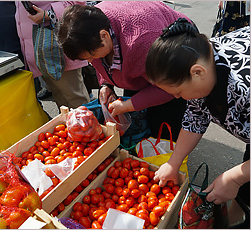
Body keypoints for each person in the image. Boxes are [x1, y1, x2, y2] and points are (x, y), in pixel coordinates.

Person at [146, 19, 250, 226]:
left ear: (197, 72)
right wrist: (173, 163)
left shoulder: (244, 87)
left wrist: (234, 178)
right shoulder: (203, 60)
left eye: (178, 92)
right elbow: (195, 118)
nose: (177, 98)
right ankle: (238, 216)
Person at [58, 1, 191, 141]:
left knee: (164, 125)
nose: (91, 61)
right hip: (144, 59)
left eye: (91, 56)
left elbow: (169, 89)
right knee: (139, 112)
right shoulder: (90, 26)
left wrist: (128, 105)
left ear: (104, 35)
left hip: (174, 56)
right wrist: (106, 85)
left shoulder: (141, 42)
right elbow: (101, 61)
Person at [15, 1, 90, 110]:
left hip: (58, 47)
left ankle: (87, 126)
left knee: (76, 101)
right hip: (41, 51)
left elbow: (78, 2)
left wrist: (49, 14)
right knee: (61, 100)